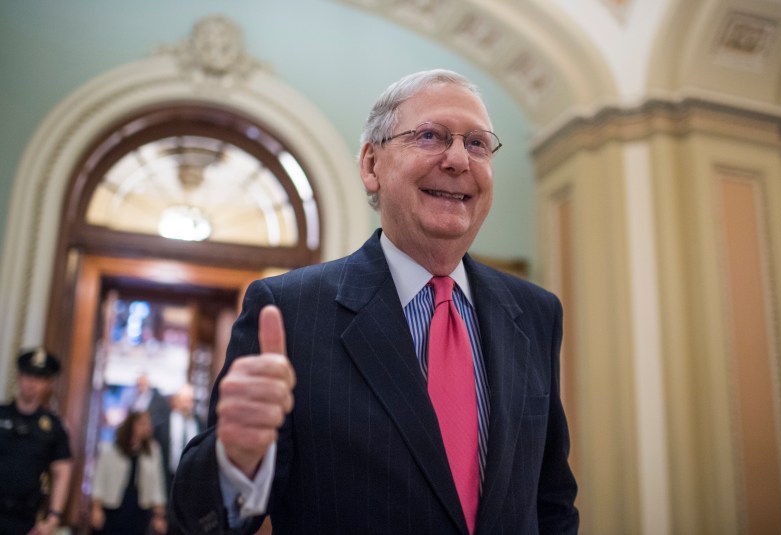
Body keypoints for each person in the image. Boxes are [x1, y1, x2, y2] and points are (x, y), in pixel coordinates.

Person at [169, 69, 579, 534]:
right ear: (371, 165)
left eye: (479, 144)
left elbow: (551, 500)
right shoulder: (288, 311)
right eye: (431, 136)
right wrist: (235, 458)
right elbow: (199, 520)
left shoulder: (534, 313)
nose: (459, 160)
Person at [0, 348, 72, 535]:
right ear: (19, 377)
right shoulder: (1, 414)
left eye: (39, 378)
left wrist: (53, 518)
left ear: (48, 384)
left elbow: (62, 472)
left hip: (26, 519)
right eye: (27, 375)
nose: (31, 383)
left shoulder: (53, 427)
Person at [91, 411, 167, 535]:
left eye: (148, 424)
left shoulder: (153, 451)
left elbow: (158, 482)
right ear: (132, 425)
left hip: (139, 506)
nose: (147, 428)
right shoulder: (110, 449)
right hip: (114, 505)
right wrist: (96, 508)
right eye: (142, 424)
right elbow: (99, 480)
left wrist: (159, 514)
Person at [153, 385, 204, 495]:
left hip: (192, 480)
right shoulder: (162, 424)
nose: (187, 404)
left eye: (190, 401)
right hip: (167, 478)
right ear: (175, 401)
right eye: (184, 400)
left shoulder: (200, 423)